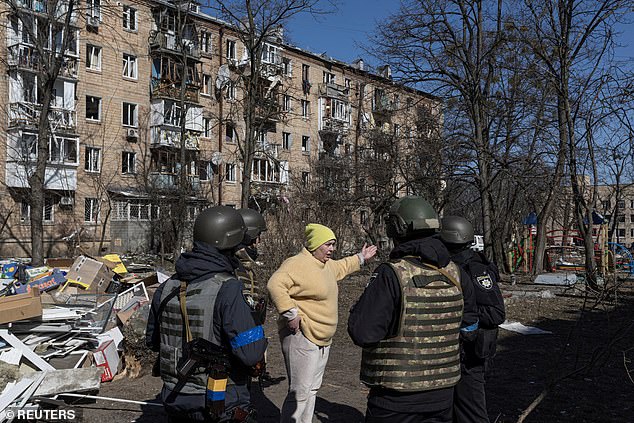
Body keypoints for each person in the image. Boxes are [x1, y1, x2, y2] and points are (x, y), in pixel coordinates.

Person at [347, 196, 478, 423]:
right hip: (443, 396)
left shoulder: (391, 274)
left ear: (395, 229)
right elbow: (470, 328)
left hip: (395, 398)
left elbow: (363, 332)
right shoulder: (457, 274)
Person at [146, 206, 267, 423]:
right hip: (218, 399)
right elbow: (251, 353)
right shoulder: (227, 288)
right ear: (232, 242)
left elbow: (154, 342)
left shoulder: (167, 287)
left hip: (175, 397)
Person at [267, 223, 377, 423]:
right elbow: (275, 284)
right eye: (328, 244)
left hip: (323, 338)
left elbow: (343, 265)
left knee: (311, 389)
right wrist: (290, 314)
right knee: (300, 391)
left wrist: (361, 258)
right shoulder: (296, 263)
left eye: (333, 244)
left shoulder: (326, 265)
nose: (332, 249)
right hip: (302, 335)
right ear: (315, 244)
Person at [440, 216, 505, 423]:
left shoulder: (475, 269)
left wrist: (459, 312)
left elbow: (496, 313)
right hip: (455, 355)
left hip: (470, 356)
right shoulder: (452, 265)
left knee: (472, 414)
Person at [236, 208, 268, 323]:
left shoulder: (246, 266)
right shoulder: (234, 267)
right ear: (249, 236)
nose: (259, 241)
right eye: (258, 236)